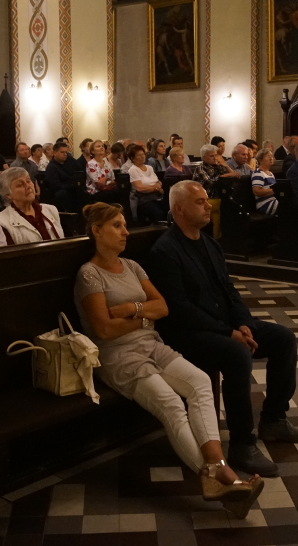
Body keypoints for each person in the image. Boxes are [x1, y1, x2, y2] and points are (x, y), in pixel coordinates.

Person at [75, 203, 263, 516]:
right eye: (117, 226)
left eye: (124, 225)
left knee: (200, 382)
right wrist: (145, 316)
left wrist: (131, 311)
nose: (125, 232)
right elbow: (104, 330)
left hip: (152, 344)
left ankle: (216, 473)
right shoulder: (89, 274)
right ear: (97, 231)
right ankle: (223, 477)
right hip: (118, 356)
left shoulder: (132, 266)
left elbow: (162, 307)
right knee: (171, 404)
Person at [147, 182, 298, 477]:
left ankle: (274, 420)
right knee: (237, 354)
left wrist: (243, 323)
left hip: (224, 324)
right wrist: (229, 333)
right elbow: (180, 309)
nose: (208, 206)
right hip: (187, 333)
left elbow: (229, 291)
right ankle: (242, 444)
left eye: (206, 200)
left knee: (283, 338)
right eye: (200, 202)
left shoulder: (210, 244)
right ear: (179, 209)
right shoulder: (165, 251)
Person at [0, 167, 64, 245]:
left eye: (28, 181)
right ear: (8, 195)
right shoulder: (0, 222)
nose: (28, 186)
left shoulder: (51, 210)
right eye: (20, 185)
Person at [194, 144, 238, 238]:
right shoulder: (200, 168)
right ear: (204, 157)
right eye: (211, 156)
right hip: (205, 200)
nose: (215, 158)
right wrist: (226, 175)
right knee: (228, 208)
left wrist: (226, 167)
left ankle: (219, 240)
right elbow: (212, 182)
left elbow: (234, 176)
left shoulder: (218, 166)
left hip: (218, 198)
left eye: (215, 155)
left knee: (232, 209)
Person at [128, 145, 165, 224]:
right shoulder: (133, 169)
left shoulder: (149, 168)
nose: (142, 156)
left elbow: (158, 182)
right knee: (158, 213)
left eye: (143, 154)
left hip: (157, 195)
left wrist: (157, 187)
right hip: (144, 199)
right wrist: (155, 188)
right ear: (132, 158)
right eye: (139, 155)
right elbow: (140, 188)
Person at [44, 142, 78, 212]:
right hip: (61, 191)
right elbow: (55, 186)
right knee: (63, 194)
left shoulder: (69, 160)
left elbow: (80, 169)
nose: (65, 154)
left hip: (73, 188)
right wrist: (71, 185)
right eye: (62, 152)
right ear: (54, 153)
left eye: (66, 152)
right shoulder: (51, 167)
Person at [251, 149, 278, 215]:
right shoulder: (258, 173)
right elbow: (257, 191)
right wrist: (275, 190)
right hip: (265, 204)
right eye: (268, 156)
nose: (271, 158)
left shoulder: (271, 174)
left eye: (272, 156)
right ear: (260, 160)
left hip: (274, 200)